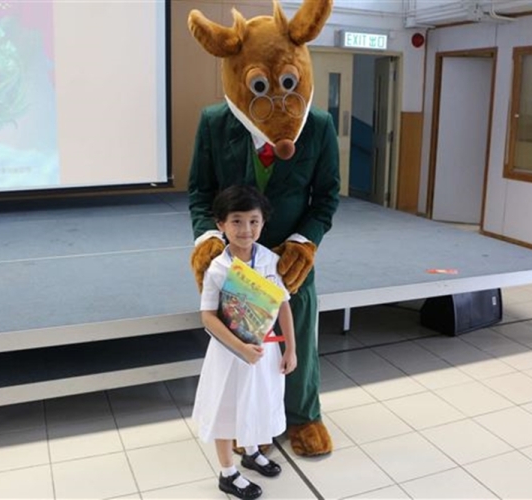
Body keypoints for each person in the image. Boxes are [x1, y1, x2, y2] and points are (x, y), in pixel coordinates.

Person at [187, 0, 339, 457]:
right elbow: (200, 192)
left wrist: (304, 243)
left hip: (290, 262)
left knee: (298, 339)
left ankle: (303, 415)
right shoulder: (215, 123)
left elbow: (326, 198)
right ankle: (248, 423)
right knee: (243, 348)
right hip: (236, 261)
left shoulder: (319, 125)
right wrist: (207, 237)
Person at [193, 185, 297, 500]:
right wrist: (240, 348)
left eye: (254, 221)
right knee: (226, 408)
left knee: (257, 401)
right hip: (229, 354)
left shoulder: (269, 259)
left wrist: (291, 348)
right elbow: (208, 316)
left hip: (264, 350)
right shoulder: (217, 268)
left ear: (263, 222)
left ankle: (251, 452)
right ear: (221, 224)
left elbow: (282, 304)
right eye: (236, 221)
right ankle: (228, 473)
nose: (246, 229)